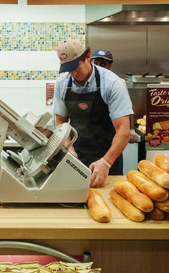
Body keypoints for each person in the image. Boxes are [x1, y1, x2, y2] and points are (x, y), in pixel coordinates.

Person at [53, 39, 133, 187]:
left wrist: (106, 162)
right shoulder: (62, 84)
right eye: (68, 69)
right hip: (77, 158)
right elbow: (61, 123)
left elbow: (124, 131)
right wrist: (69, 150)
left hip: (108, 159)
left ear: (88, 57)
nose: (73, 73)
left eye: (75, 67)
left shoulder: (113, 83)